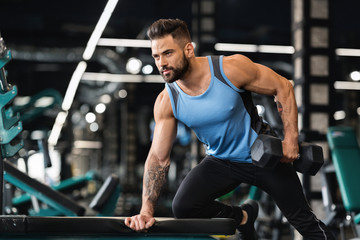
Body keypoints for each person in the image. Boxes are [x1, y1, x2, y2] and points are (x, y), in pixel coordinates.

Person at [124, 18, 335, 239]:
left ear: (188, 49)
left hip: (262, 155)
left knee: (302, 221)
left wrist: (291, 141)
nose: (161, 63)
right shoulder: (167, 100)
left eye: (168, 53)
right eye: (156, 56)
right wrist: (146, 211)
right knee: (184, 207)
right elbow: (158, 157)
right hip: (221, 161)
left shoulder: (229, 70)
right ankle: (243, 216)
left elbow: (282, 86)